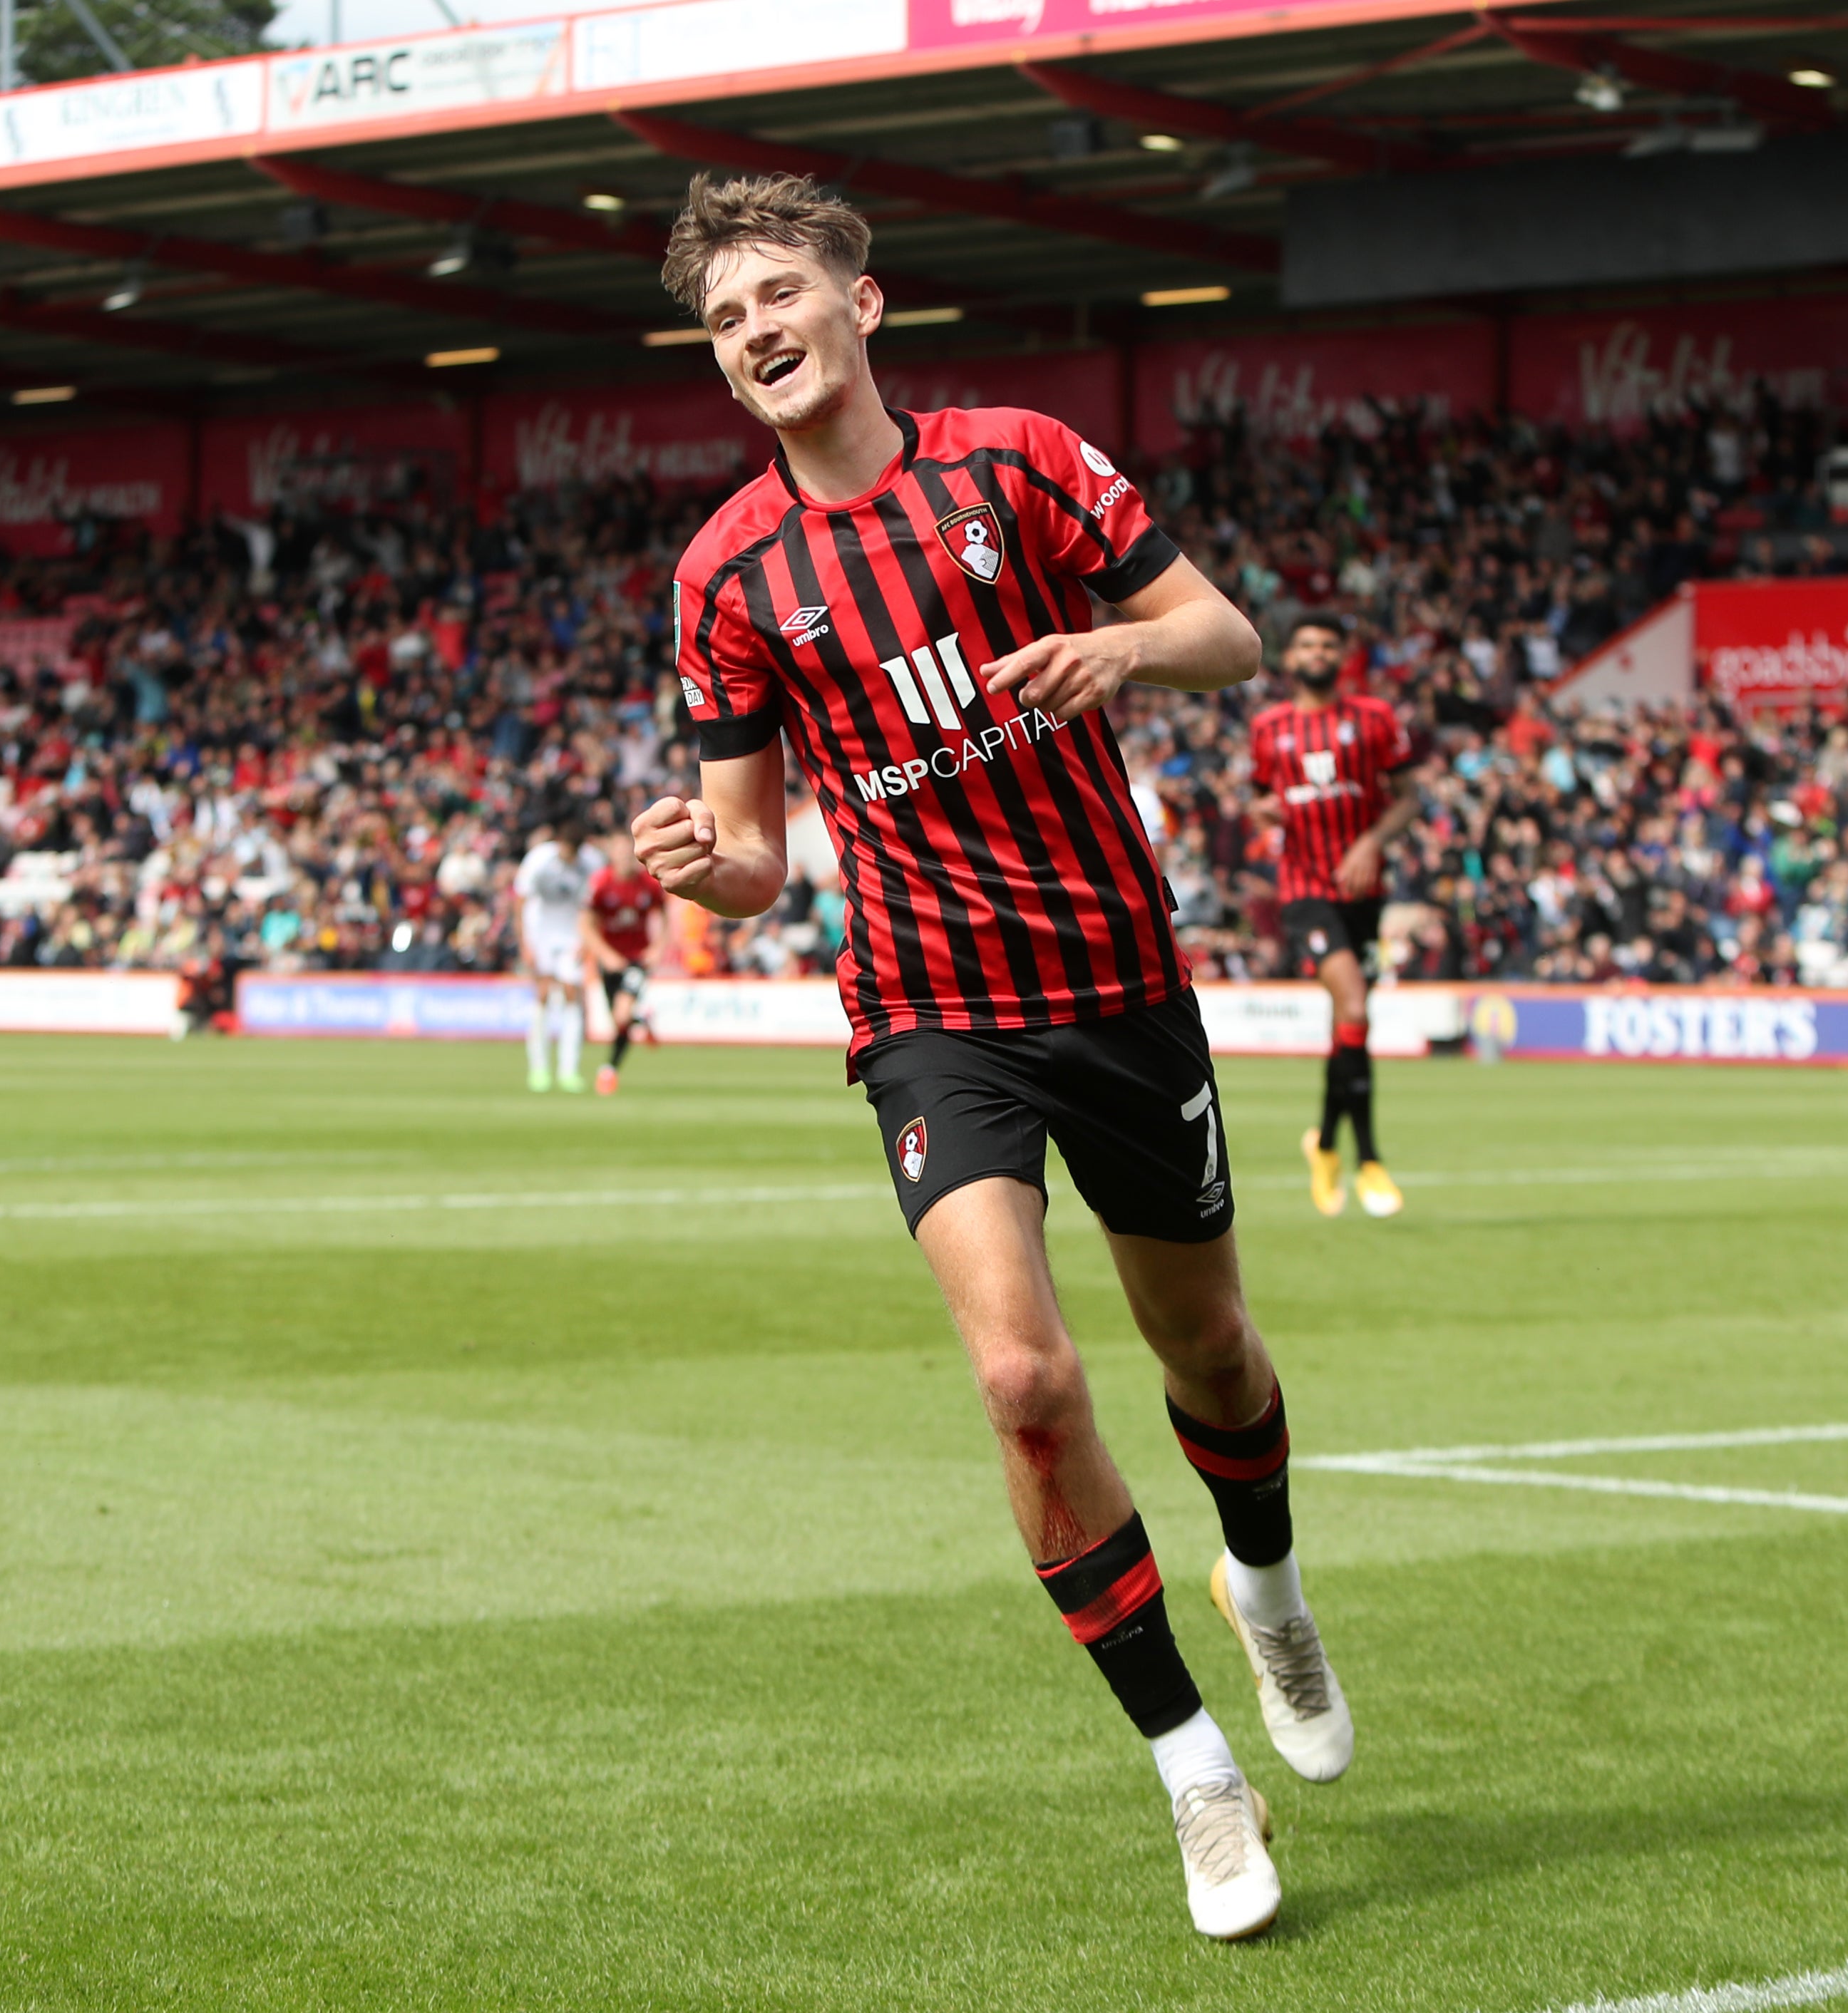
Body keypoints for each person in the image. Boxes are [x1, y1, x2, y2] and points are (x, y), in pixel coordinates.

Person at [630, 172, 1348, 1942]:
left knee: (1210, 1348)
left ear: (865, 302)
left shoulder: (1016, 460)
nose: (757, 334)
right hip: (928, 1015)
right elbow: (757, 851)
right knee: (1025, 1380)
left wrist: (1118, 644)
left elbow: (1228, 636)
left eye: (780, 293)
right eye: (726, 321)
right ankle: (1193, 1769)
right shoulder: (723, 572)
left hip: (1116, 984)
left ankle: (1262, 1583)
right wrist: (703, 866)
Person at [1250, 615, 1416, 1217]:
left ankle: (1323, 1145)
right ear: (1290, 658)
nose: (1317, 653)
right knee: (1353, 1006)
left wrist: (1371, 842)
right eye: (1307, 645)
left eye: (1327, 645)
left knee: (1352, 1028)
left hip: (1363, 890)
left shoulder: (1374, 719)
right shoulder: (1269, 728)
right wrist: (1264, 810)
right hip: (1304, 891)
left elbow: (1411, 797)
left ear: (1343, 656)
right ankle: (1369, 1159)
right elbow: (1259, 795)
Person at [581, 839, 665, 1095]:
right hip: (611, 960)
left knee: (621, 1016)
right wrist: (605, 955)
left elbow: (664, 918)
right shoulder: (601, 883)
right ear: (612, 857)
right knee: (619, 1022)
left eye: (630, 854)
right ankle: (644, 1019)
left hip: (637, 960)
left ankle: (609, 1071)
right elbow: (586, 925)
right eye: (620, 854)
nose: (626, 859)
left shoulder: (648, 885)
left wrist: (657, 949)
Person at [513, 815, 590, 1093]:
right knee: (543, 994)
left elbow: (594, 907)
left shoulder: (590, 863)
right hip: (542, 933)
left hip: (572, 935)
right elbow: (520, 901)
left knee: (572, 994)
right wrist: (525, 943)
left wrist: (588, 941)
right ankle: (539, 1069)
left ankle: (570, 1071)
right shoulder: (539, 859)